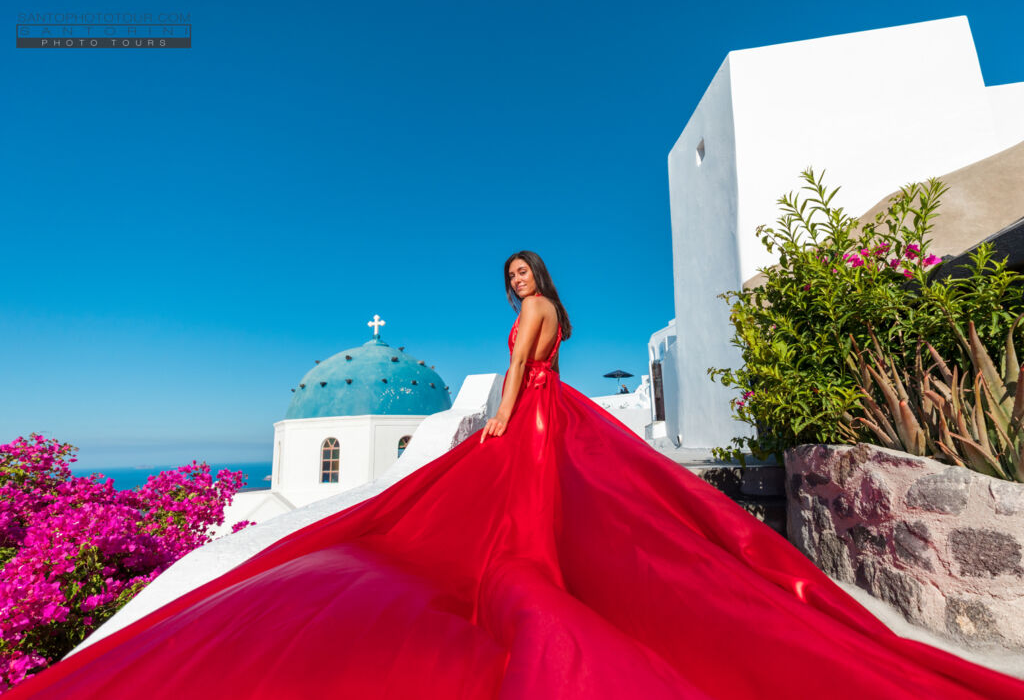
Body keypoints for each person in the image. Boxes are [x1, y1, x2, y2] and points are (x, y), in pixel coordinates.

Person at [12, 251, 1024, 699]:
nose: (516, 289)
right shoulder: (548, 315)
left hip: (530, 416)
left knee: (521, 532)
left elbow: (513, 372)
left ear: (541, 281)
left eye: (522, 278)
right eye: (508, 283)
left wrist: (495, 427)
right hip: (543, 409)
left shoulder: (534, 326)